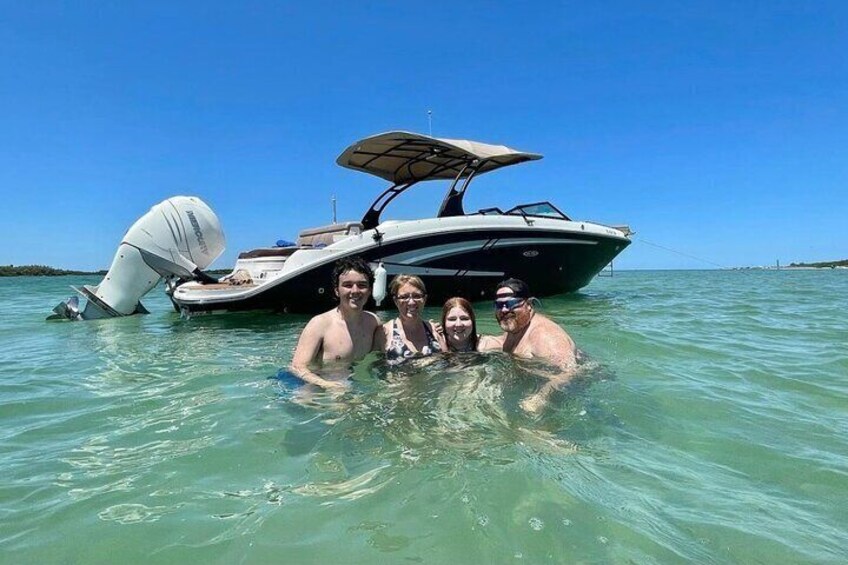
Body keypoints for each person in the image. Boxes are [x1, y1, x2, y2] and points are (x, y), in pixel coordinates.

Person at [289, 257, 382, 389]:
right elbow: (297, 367)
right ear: (337, 291)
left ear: (370, 290)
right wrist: (327, 385)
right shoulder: (320, 324)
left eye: (362, 285)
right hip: (316, 382)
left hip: (349, 380)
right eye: (348, 285)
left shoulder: (373, 322)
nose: (355, 291)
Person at [493, 278, 579, 413]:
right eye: (499, 305)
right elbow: (500, 341)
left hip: (562, 398)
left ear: (529, 305)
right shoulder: (516, 328)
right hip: (531, 385)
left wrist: (540, 398)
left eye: (511, 303)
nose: (504, 310)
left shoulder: (544, 336)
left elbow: (571, 372)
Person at [382, 275, 446, 364]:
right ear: (395, 301)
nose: (411, 302)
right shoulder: (385, 332)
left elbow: (447, 364)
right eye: (404, 297)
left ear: (424, 299)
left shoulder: (434, 330)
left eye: (417, 296)